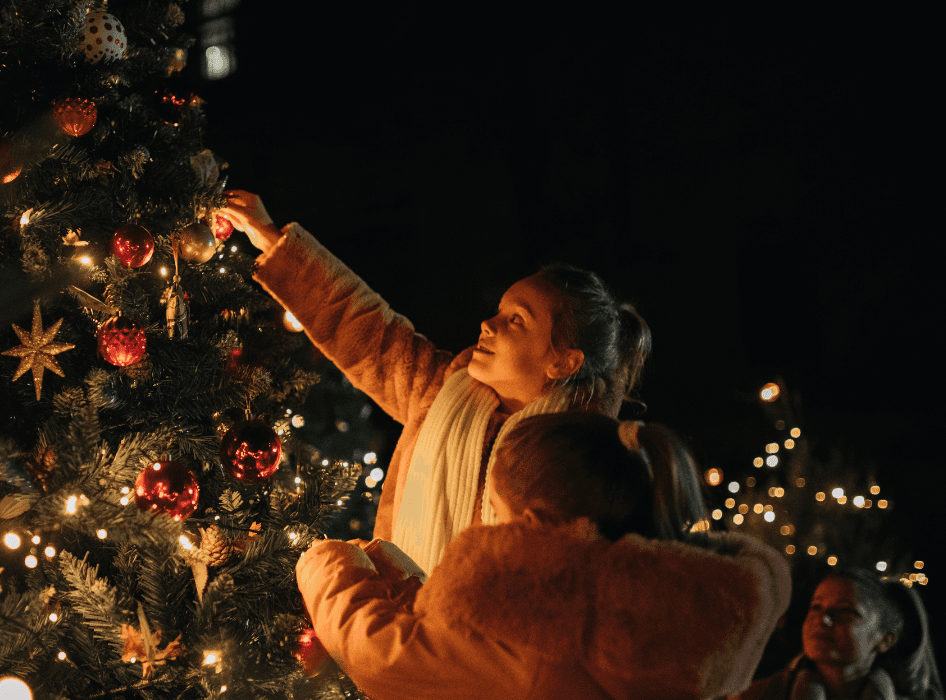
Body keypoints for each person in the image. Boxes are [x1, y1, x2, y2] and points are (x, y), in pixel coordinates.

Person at [220, 191, 651, 572]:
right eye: (499, 311)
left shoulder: (589, 469)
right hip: (409, 633)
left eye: (515, 321)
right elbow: (366, 328)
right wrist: (274, 240)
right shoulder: (439, 391)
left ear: (562, 361)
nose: (487, 324)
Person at [295, 412, 792, 700]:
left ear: (536, 524)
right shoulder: (692, 606)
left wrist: (329, 561)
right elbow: (464, 649)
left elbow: (380, 654)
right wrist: (399, 575)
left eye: (497, 510)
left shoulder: (543, 632)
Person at [734, 568, 943, 700]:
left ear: (885, 640)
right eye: (816, 607)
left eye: (846, 611)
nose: (823, 619)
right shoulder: (757, 695)